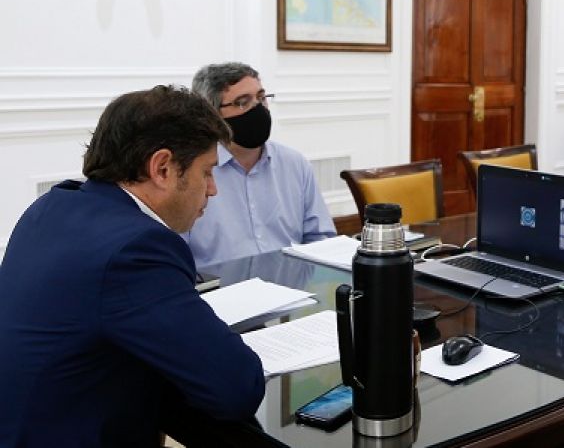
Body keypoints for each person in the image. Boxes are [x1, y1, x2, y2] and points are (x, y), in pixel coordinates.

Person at [0, 86, 276, 447]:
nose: (213, 190)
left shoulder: (52, 206)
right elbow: (237, 388)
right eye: (207, 172)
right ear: (162, 168)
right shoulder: (135, 250)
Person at [187, 62, 335, 267]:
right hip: (221, 285)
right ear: (212, 114)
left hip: (290, 281)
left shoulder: (294, 164)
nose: (257, 108)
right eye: (242, 102)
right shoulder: (191, 172)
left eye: (261, 98)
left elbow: (321, 239)